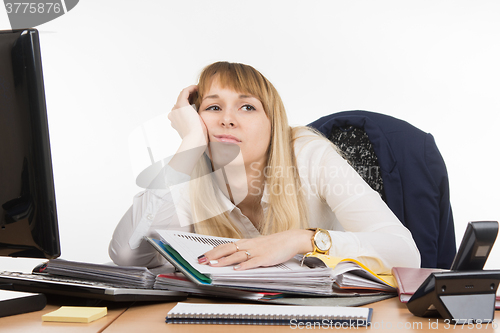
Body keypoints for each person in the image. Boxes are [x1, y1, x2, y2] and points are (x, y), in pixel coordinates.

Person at [109, 61, 420, 273]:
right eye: (213, 107)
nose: (227, 119)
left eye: (247, 107)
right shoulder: (189, 172)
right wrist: (190, 142)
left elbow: (405, 252)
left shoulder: (309, 155)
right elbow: (128, 256)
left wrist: (303, 239)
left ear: (274, 124)